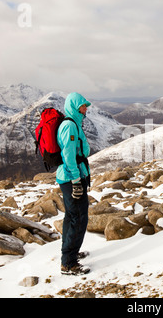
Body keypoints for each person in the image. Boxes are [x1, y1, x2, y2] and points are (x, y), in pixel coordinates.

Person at [57, 92, 91, 275]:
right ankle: (68, 263)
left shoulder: (74, 123)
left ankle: (70, 254)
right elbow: (69, 156)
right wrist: (77, 180)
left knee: (71, 217)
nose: (86, 109)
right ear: (75, 107)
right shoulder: (70, 126)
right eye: (83, 106)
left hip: (73, 176)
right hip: (72, 178)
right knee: (79, 218)